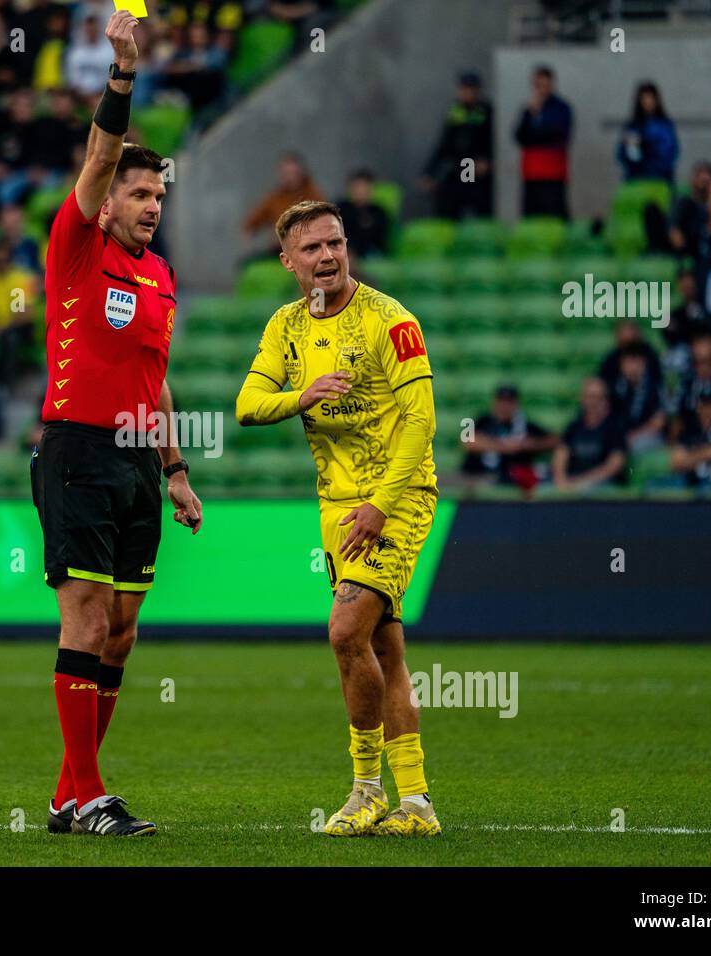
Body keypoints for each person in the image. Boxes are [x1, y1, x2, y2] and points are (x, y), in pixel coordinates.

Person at [34, 10, 202, 838]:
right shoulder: (76, 246)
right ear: (106, 203)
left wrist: (175, 468)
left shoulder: (162, 277)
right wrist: (124, 71)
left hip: (139, 460)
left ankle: (72, 792)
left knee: (124, 634)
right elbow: (101, 152)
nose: (151, 204)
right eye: (140, 192)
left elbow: (156, 380)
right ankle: (91, 793)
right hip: (77, 449)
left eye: (159, 194)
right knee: (88, 618)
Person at [236, 199, 442, 839]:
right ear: (288, 262)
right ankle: (418, 805)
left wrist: (382, 504)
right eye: (312, 249)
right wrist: (302, 395)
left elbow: (423, 421)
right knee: (384, 647)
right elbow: (246, 405)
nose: (327, 257)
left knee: (345, 631)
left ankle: (365, 790)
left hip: (396, 498)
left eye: (335, 243)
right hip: (334, 505)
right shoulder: (286, 328)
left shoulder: (391, 320)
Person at [419, 70, 492, 220]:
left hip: (474, 167)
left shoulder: (486, 111)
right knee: (445, 201)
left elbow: (492, 141)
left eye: (469, 89)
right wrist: (429, 172)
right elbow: (444, 145)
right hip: (459, 165)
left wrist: (488, 161)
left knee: (475, 205)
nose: (465, 93)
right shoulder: (455, 111)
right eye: (463, 89)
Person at [461, 385, 555, 488]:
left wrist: (529, 444)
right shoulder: (483, 420)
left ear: (516, 404)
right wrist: (504, 446)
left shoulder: (524, 424)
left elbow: (553, 440)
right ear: (494, 402)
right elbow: (466, 441)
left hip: (510, 478)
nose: (505, 406)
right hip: (479, 474)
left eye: (509, 402)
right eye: (501, 401)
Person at [514, 65, 572, 219]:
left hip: (553, 173)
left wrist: (535, 135)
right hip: (531, 173)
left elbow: (558, 135)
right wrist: (530, 114)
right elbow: (519, 136)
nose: (541, 89)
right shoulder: (528, 109)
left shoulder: (561, 108)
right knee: (532, 216)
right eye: (538, 85)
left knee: (554, 215)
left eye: (545, 85)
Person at [552, 378, 627, 492]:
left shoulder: (614, 428)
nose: (594, 402)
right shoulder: (574, 427)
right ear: (582, 399)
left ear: (606, 400)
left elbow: (614, 465)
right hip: (572, 482)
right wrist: (561, 480)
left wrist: (581, 483)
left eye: (598, 397)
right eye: (590, 397)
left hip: (601, 485)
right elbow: (560, 455)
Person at [616, 81, 678, 184]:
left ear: (656, 100)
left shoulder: (664, 125)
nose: (647, 102)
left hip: (659, 180)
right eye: (644, 98)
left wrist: (648, 148)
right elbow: (623, 154)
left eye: (650, 98)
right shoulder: (632, 126)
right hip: (635, 180)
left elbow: (669, 153)